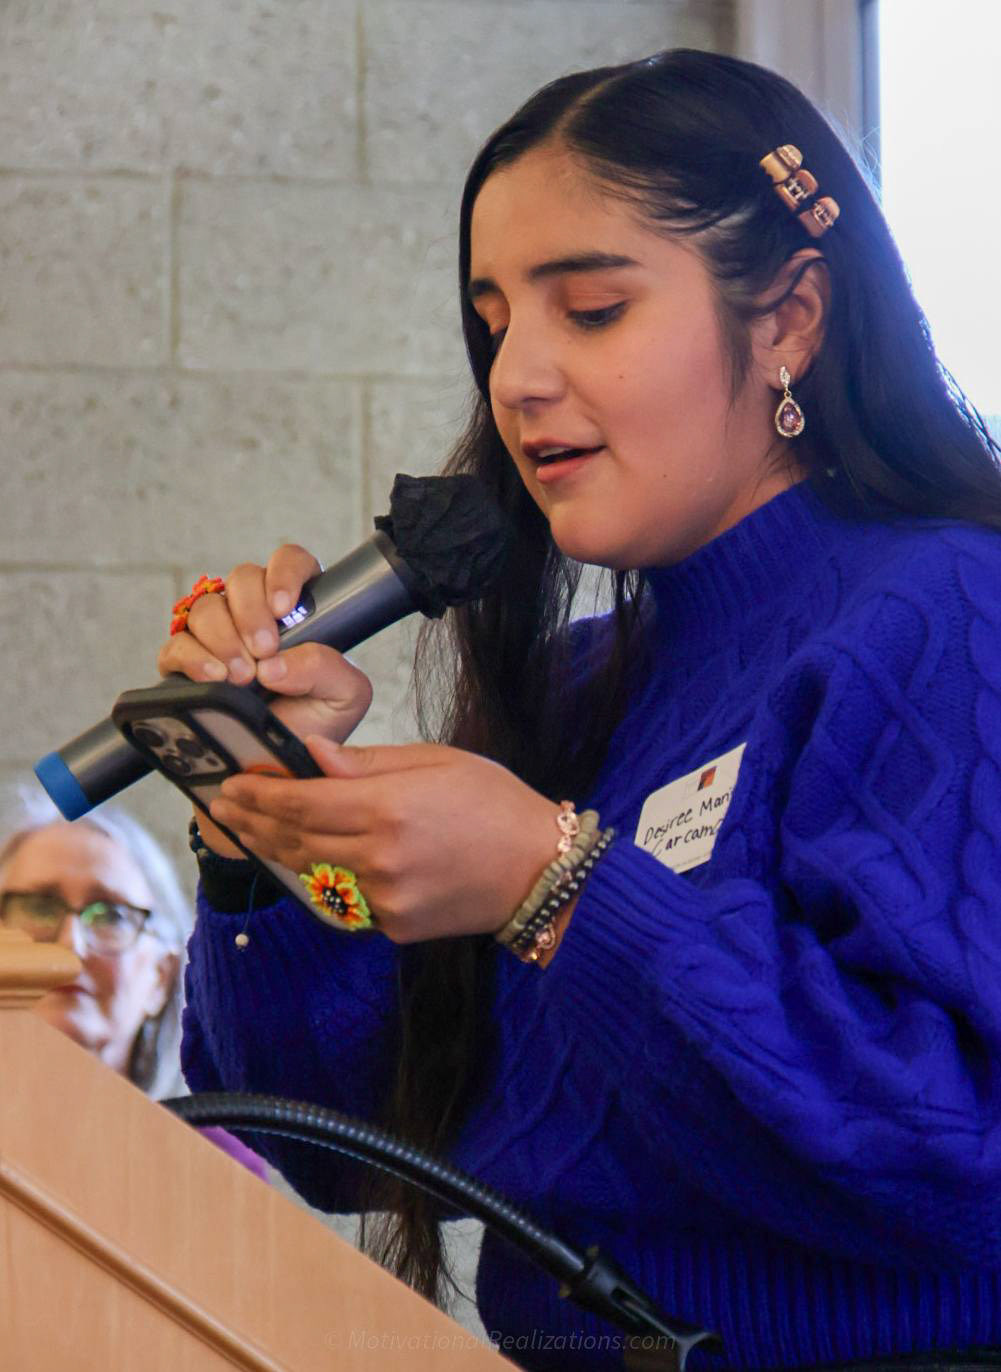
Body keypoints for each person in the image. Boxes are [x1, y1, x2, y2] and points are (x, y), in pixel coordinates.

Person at [160, 48, 1001, 1371]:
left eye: (592, 310)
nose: (515, 379)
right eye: (494, 323)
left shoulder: (943, 611)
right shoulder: (571, 682)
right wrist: (267, 818)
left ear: (789, 318)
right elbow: (335, 1141)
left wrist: (552, 885)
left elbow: (953, 1153)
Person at [0, 792, 268, 1179]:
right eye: (38, 908)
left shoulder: (213, 1168)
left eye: (111, 916)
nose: (72, 944)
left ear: (161, 976)